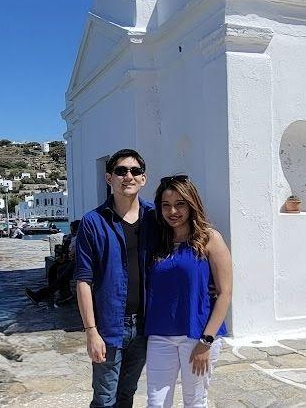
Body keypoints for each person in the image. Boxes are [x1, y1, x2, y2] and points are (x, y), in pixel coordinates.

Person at [75, 149, 156, 408]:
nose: (128, 176)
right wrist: (91, 332)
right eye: (121, 171)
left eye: (135, 171)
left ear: (143, 178)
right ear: (109, 178)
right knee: (104, 399)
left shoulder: (155, 218)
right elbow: (83, 280)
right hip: (109, 326)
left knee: (126, 395)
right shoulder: (93, 222)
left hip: (144, 324)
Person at [145, 175, 232, 408]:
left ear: (192, 204)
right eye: (166, 205)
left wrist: (206, 341)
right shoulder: (158, 241)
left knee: (195, 402)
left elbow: (225, 293)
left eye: (180, 204)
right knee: (156, 403)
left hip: (197, 335)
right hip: (160, 335)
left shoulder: (210, 239)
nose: (172, 211)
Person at [25, 219, 80, 306]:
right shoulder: (72, 237)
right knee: (54, 269)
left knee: (63, 273)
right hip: (72, 260)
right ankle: (63, 294)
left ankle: (40, 295)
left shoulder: (79, 238)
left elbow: (73, 252)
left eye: (72, 229)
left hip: (78, 262)